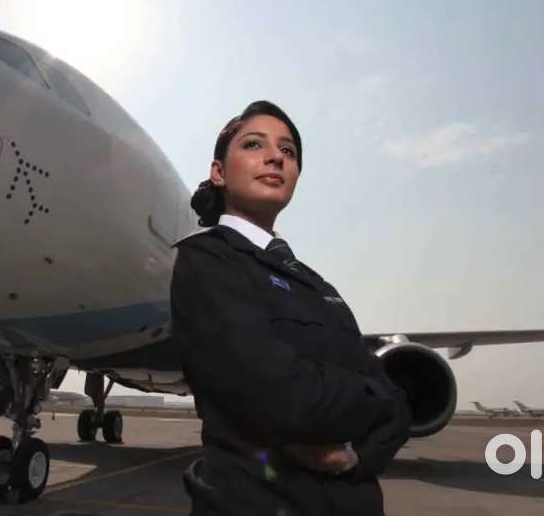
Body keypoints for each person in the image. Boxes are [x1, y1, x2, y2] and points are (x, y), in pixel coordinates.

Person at [171, 101, 411, 516]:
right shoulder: (206, 261)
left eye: (289, 151)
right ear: (219, 172)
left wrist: (358, 457)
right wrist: (378, 402)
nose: (276, 157)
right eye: (254, 144)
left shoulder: (316, 284)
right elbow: (280, 397)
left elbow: (399, 406)